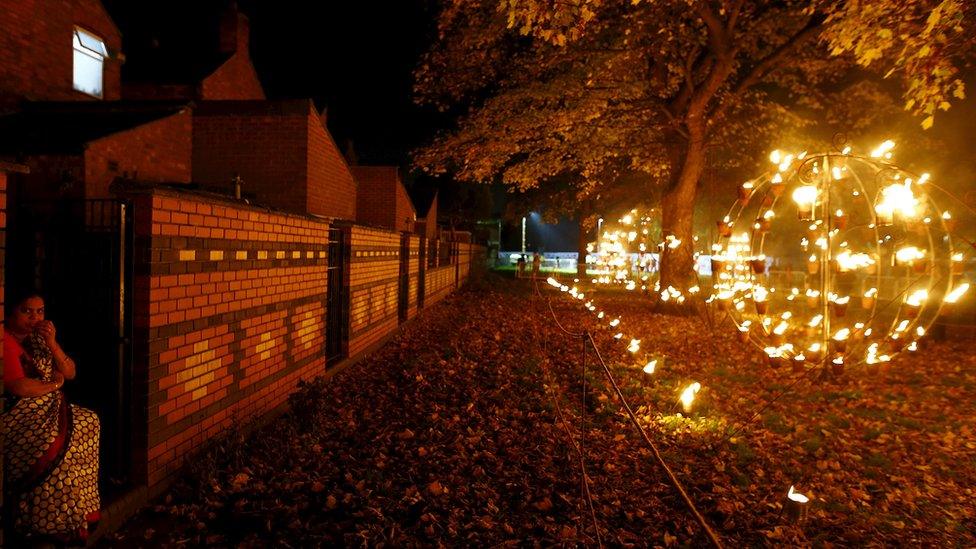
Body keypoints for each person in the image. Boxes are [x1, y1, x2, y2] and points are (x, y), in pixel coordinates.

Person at [3, 289, 101, 543]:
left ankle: (78, 511)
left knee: (89, 421)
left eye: (40, 311)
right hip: (18, 414)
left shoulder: (40, 338)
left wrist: (54, 344)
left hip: (47, 408)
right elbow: (18, 386)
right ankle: (46, 521)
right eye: (26, 311)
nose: (35, 317)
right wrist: (54, 386)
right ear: (11, 312)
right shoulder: (5, 341)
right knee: (52, 442)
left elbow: (70, 372)